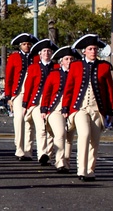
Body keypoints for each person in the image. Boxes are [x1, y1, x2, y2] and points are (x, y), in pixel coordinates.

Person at [62, 34, 113, 182]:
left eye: (95, 49)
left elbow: (109, 90)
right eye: (90, 49)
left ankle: (89, 170)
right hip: (80, 108)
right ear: (84, 51)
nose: (93, 51)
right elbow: (69, 88)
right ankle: (81, 169)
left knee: (94, 140)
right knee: (84, 135)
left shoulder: (104, 67)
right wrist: (66, 107)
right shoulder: (76, 66)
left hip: (97, 109)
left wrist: (111, 110)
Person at [39, 46, 78, 174]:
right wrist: (44, 109)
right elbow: (47, 93)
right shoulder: (54, 74)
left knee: (69, 137)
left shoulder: (78, 75)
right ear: (61, 62)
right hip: (56, 108)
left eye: (71, 59)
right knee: (60, 134)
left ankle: (66, 162)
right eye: (66, 59)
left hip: (73, 108)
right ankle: (60, 161)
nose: (69, 61)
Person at [20, 39, 57, 166]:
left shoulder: (56, 67)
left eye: (49, 51)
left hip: (53, 102)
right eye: (44, 51)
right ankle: (42, 154)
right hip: (37, 102)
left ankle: (49, 154)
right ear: (40, 54)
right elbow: (28, 87)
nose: (46, 53)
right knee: (41, 128)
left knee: (51, 130)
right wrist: (25, 104)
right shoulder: (34, 67)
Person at [5, 33, 37, 161]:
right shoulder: (14, 57)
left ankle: (28, 150)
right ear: (20, 46)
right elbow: (9, 77)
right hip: (18, 92)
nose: (27, 46)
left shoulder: (36, 57)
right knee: (19, 119)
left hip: (32, 92)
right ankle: (19, 149)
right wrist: (8, 96)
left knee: (30, 121)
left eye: (29, 44)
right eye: (24, 44)